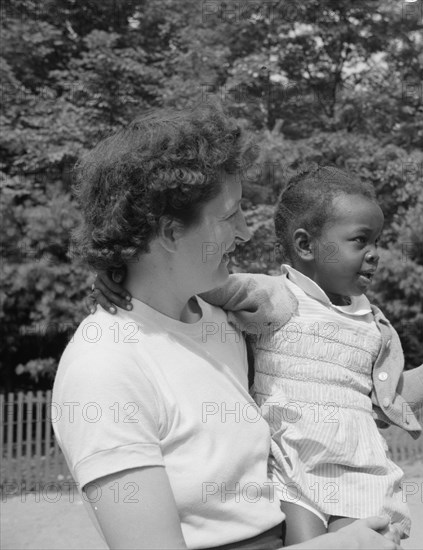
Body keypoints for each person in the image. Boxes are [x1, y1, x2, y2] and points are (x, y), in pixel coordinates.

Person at [52, 107, 403, 550]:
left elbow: (327, 396)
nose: (244, 232)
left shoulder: (227, 322)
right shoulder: (104, 368)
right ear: (169, 231)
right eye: (230, 215)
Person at [92, 165, 423, 545]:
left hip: (361, 469)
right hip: (293, 469)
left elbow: (387, 404)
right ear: (305, 245)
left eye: (377, 242)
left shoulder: (373, 326)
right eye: (360, 241)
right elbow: (195, 282)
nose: (375, 254)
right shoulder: (277, 296)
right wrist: (124, 269)